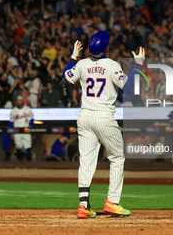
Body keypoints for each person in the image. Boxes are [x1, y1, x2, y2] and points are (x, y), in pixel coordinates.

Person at [62, 32, 145, 218]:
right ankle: (112, 202)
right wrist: (138, 65)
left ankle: (83, 205)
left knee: (86, 161)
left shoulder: (82, 64)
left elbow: (64, 81)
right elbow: (129, 87)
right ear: (106, 47)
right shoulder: (112, 65)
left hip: (84, 116)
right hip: (104, 115)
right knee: (117, 157)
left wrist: (73, 58)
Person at [9, 95, 34, 161]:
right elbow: (11, 122)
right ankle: (20, 162)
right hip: (17, 130)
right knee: (18, 147)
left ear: (22, 101)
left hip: (25, 130)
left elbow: (32, 119)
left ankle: (29, 163)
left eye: (20, 100)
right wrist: (11, 132)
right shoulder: (13, 111)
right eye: (17, 100)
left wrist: (31, 125)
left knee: (28, 147)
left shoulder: (28, 109)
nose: (19, 102)